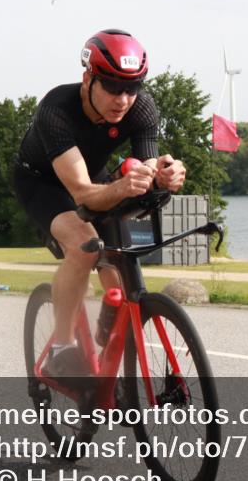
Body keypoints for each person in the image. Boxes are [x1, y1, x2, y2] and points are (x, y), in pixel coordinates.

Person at [13, 29, 186, 379]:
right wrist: (125, 184)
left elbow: (145, 168)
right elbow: (80, 193)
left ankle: (110, 357)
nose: (123, 99)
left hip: (97, 177)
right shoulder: (56, 110)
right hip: (43, 182)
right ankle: (61, 349)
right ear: (87, 78)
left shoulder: (142, 108)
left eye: (132, 88)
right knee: (84, 246)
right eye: (111, 86)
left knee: (120, 277)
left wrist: (164, 176)